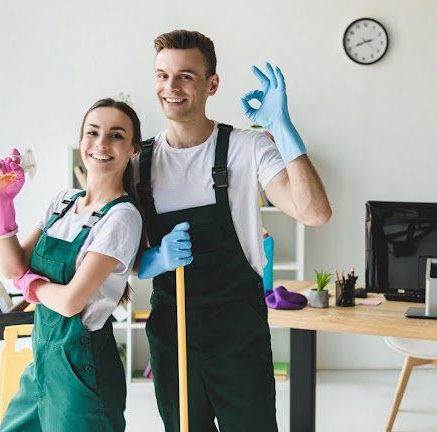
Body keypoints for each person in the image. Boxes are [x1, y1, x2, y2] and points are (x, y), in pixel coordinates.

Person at [136, 30, 332, 431]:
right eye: (161, 75)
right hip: (173, 335)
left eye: (186, 76)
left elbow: (314, 213)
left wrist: (283, 132)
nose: (171, 87)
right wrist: (155, 259)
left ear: (212, 84)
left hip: (237, 332)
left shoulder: (247, 148)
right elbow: (123, 257)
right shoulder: (138, 162)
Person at [0, 98, 143, 432]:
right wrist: (1, 202)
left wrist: (30, 286)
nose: (102, 143)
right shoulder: (62, 202)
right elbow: (13, 268)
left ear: (133, 149)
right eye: (93, 132)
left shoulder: (122, 216)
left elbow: (72, 301)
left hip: (82, 370)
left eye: (116, 135)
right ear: (82, 141)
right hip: (44, 362)